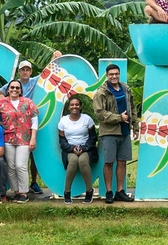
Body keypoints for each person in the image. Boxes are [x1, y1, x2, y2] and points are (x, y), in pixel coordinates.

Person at [0, 54, 60, 195]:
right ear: (18, 72)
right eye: (22, 70)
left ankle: (32, 183)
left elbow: (46, 73)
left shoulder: (34, 82)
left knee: (27, 160)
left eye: (27, 70)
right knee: (12, 165)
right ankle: (16, 190)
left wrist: (53, 59)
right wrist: (3, 98)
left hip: (27, 127)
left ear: (30, 71)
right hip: (10, 131)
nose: (25, 72)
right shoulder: (13, 84)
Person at [93, 63, 137, 203]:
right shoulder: (101, 92)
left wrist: (135, 125)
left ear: (119, 74)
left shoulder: (126, 89)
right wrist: (119, 118)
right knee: (109, 162)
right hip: (109, 133)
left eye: (116, 74)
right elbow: (99, 113)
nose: (114, 76)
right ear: (107, 76)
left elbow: (133, 108)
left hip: (124, 132)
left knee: (122, 162)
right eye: (111, 74)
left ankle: (120, 191)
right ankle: (109, 192)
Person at [0, 79, 38, 203]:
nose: (14, 90)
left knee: (20, 165)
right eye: (12, 87)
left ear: (21, 90)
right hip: (8, 138)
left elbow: (34, 119)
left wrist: (33, 138)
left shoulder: (28, 102)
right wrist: (2, 124)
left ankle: (24, 192)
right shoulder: (1, 103)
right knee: (11, 167)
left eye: (17, 88)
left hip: (24, 138)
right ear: (8, 89)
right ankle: (16, 192)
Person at [58, 96, 98, 204]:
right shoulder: (63, 121)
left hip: (86, 148)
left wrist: (84, 148)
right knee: (73, 161)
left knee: (82, 161)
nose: (74, 106)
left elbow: (93, 137)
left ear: (80, 106)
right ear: (69, 107)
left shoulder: (87, 119)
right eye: (72, 105)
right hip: (70, 149)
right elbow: (62, 141)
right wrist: (72, 148)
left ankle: (89, 191)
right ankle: (67, 191)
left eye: (76, 104)